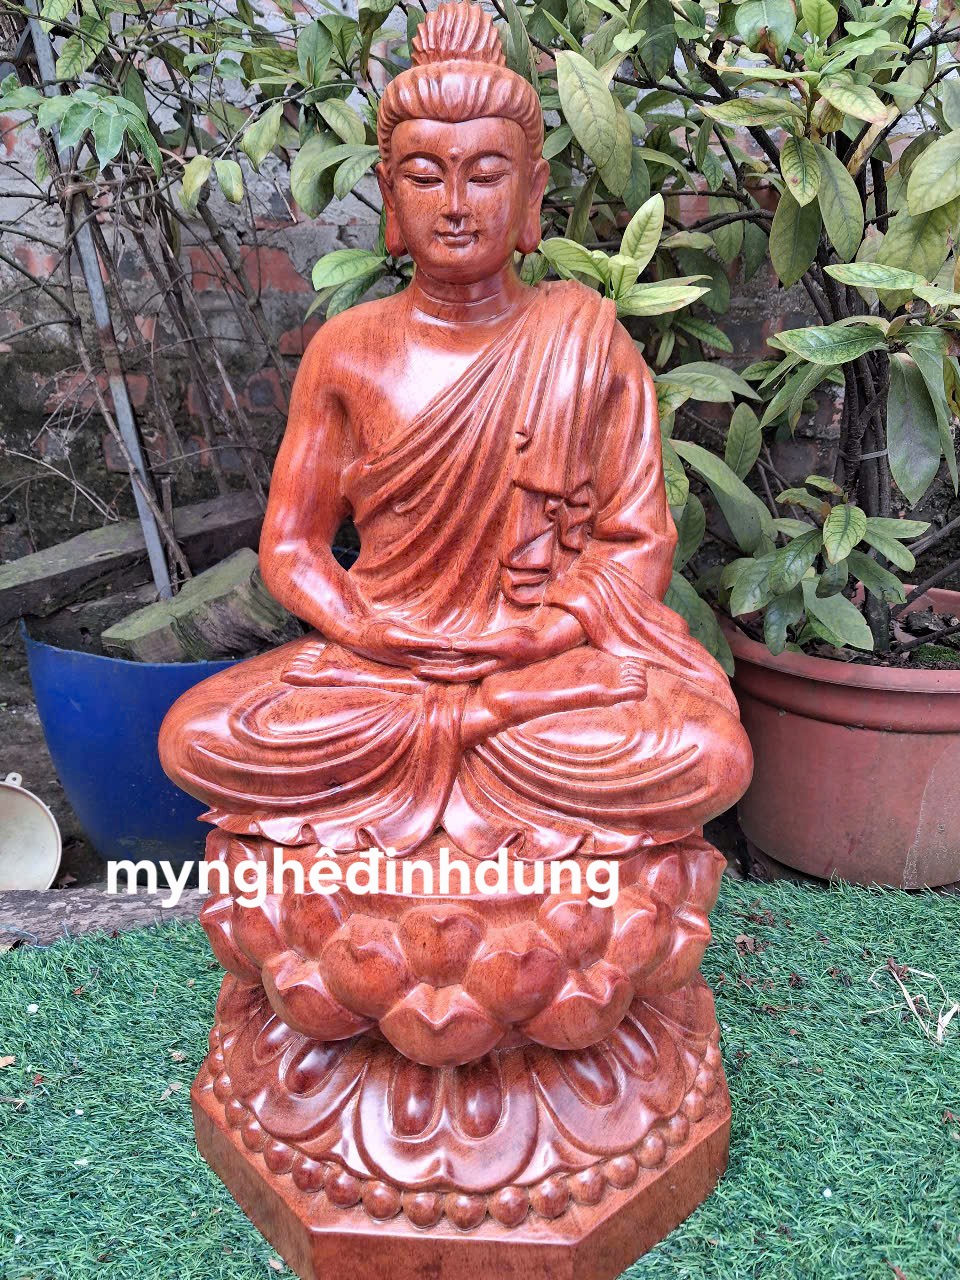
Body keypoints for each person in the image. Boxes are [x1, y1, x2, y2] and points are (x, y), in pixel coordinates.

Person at [159, 0, 751, 862]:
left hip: (541, 666)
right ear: (390, 195)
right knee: (198, 734)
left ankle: (478, 730)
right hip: (384, 668)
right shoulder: (346, 351)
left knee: (707, 754)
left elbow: (635, 546)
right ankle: (477, 732)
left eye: (485, 174)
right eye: (426, 177)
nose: (456, 205)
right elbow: (291, 546)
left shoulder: (588, 344)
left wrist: (542, 636)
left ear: (531, 192)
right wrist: (366, 629)